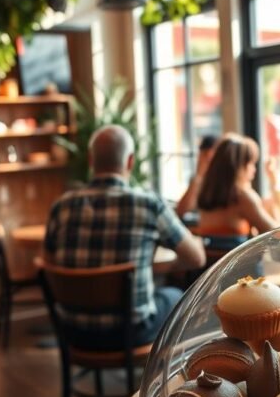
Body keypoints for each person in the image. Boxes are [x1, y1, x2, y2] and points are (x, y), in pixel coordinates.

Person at [44, 125, 205, 350]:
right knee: (176, 295)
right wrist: (156, 268)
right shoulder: (148, 204)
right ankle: (166, 379)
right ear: (130, 162)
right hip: (130, 333)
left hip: (73, 332)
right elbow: (196, 258)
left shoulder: (61, 206)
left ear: (91, 160)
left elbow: (49, 264)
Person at [194, 133, 280, 248]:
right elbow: (275, 233)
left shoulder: (205, 192)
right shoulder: (242, 198)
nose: (254, 170)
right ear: (239, 167)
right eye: (251, 163)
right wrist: (273, 183)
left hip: (212, 264)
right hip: (239, 266)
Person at [175, 135, 219, 218]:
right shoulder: (197, 180)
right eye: (204, 155)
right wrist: (198, 176)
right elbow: (181, 211)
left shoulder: (228, 181)